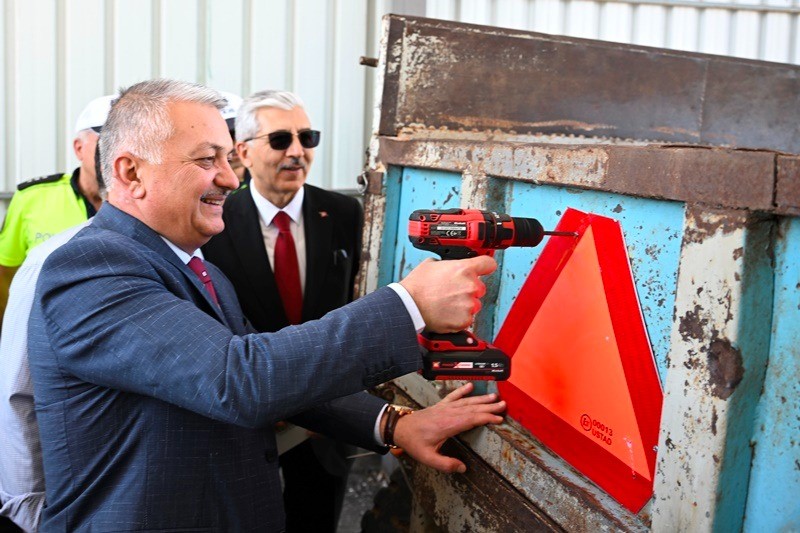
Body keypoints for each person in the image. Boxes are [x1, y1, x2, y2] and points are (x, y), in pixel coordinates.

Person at [28, 79, 503, 532]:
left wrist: (394, 425)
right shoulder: (93, 268)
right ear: (132, 172)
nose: (229, 178)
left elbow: (263, 364)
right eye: (205, 159)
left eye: (227, 156)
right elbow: (240, 378)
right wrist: (410, 304)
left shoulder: (198, 268)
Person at [202, 90, 361, 531]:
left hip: (326, 418)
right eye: (280, 140)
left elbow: (354, 301)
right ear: (244, 151)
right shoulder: (214, 221)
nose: (297, 151)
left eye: (307, 137)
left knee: (316, 514)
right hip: (248, 414)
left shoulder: (344, 212)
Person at [0, 95, 114, 325]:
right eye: (107, 143)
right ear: (79, 148)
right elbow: (5, 271)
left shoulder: (148, 201)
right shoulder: (32, 198)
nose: (116, 154)